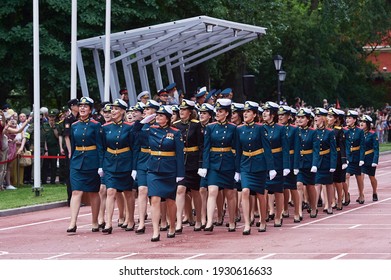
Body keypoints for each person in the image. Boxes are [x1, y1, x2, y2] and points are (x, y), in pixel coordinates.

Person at [235, 101, 275, 234]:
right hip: (245, 164)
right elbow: (238, 150)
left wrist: (271, 167)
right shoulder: (239, 129)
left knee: (260, 194)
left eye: (248, 112)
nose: (245, 113)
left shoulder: (260, 128)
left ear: (254, 114)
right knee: (245, 191)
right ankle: (247, 223)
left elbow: (267, 148)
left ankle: (263, 220)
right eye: (244, 111)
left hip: (259, 164)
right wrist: (237, 170)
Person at [146, 105, 185, 241]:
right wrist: (144, 120)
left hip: (169, 170)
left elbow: (180, 154)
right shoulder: (151, 129)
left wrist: (180, 174)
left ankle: (172, 226)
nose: (158, 117)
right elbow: (135, 132)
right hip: (154, 169)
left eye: (161, 115)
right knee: (154, 199)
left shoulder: (175, 132)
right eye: (157, 115)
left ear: (168, 118)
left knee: (170, 201)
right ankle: (156, 231)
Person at [198, 98, 237, 232]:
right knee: (212, 191)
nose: (218, 113)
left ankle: (232, 221)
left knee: (229, 194)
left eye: (220, 111)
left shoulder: (233, 128)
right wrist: (204, 166)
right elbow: (206, 148)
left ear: (226, 113)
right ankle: (209, 222)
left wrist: (237, 169)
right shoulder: (210, 127)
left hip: (228, 163)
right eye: (217, 111)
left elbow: (236, 148)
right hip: (214, 163)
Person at [66, 97, 104, 233]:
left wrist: (101, 165)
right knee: (76, 191)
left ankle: (95, 221)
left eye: (85, 106)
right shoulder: (74, 125)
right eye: (80, 106)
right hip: (77, 161)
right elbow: (74, 145)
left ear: (90, 109)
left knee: (93, 192)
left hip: (92, 160)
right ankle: (72, 222)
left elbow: (100, 146)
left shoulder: (96, 125)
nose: (82, 108)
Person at [101, 99, 136, 234]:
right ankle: (108, 222)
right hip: (110, 162)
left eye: (116, 109)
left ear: (122, 111)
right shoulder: (106, 128)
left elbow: (134, 147)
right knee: (110, 191)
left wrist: (134, 167)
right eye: (112, 109)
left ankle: (131, 219)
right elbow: (103, 147)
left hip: (125, 162)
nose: (113, 111)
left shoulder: (129, 127)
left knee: (127, 192)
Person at [173, 99, 204, 233]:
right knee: (180, 190)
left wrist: (201, 164)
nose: (181, 112)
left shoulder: (197, 125)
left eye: (184, 110)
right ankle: (179, 221)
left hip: (193, 161)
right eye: (180, 109)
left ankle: (198, 219)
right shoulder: (176, 125)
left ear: (190, 112)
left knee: (195, 192)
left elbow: (201, 146)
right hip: (180, 162)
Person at [133, 99, 160, 234]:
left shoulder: (161, 124)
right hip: (143, 159)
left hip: (156, 159)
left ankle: (162, 219)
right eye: (145, 109)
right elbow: (135, 139)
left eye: (148, 109)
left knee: (156, 193)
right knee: (142, 190)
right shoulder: (141, 125)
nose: (145, 111)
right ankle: (141, 222)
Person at [262, 101, 290, 227]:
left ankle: (278, 215)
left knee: (278, 190)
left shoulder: (280, 128)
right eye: (263, 111)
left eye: (267, 111)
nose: (264, 113)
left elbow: (285, 148)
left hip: (277, 161)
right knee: (263, 189)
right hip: (263, 162)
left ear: (272, 114)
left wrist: (286, 166)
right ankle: (265, 214)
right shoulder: (260, 128)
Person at [278, 105, 301, 222]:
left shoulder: (294, 129)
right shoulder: (276, 128)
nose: (281, 117)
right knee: (282, 187)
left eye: (283, 115)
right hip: (279, 160)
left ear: (288, 116)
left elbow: (297, 148)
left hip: (291, 160)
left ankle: (297, 211)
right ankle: (284, 209)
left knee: (292, 187)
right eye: (279, 115)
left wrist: (296, 165)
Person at [296, 108, 320, 219]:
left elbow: (316, 149)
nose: (300, 120)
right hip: (298, 163)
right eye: (298, 117)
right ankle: (299, 209)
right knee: (299, 185)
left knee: (310, 187)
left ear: (308, 119)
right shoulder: (295, 131)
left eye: (302, 118)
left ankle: (314, 207)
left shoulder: (313, 132)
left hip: (309, 162)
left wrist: (315, 164)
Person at [314, 107, 337, 214]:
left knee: (328, 184)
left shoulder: (330, 132)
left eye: (318, 116)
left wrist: (333, 164)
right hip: (317, 160)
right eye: (315, 116)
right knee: (317, 183)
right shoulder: (314, 132)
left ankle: (329, 204)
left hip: (326, 160)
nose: (316, 118)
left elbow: (333, 150)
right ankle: (314, 206)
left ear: (323, 118)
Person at [327, 108, 347, 210]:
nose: (328, 118)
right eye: (328, 116)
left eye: (330, 117)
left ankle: (340, 199)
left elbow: (342, 146)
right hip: (328, 156)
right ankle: (332, 200)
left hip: (338, 157)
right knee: (330, 181)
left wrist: (344, 160)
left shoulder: (339, 131)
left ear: (336, 119)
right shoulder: (326, 130)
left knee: (338, 181)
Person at [344, 110, 365, 204]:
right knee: (346, 175)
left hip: (356, 156)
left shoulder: (359, 131)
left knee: (358, 177)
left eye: (350, 118)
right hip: (348, 156)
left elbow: (362, 146)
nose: (347, 120)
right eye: (347, 118)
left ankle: (361, 194)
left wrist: (361, 159)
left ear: (355, 119)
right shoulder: (344, 130)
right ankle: (345, 195)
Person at [97, 103, 112, 229]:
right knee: (102, 190)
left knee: (118, 192)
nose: (107, 114)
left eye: (109, 112)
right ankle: (101, 217)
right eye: (105, 112)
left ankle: (123, 215)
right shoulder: (100, 127)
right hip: (104, 161)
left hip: (116, 160)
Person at [63, 98, 79, 206]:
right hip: (71, 148)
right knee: (70, 175)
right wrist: (69, 151)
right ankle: (70, 198)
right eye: (77, 105)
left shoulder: (79, 118)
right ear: (72, 106)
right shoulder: (68, 119)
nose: (80, 107)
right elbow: (66, 136)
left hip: (79, 147)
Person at [359, 115, 379, 201]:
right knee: (361, 176)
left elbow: (376, 149)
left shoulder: (373, 134)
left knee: (372, 177)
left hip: (370, 158)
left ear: (368, 124)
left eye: (363, 122)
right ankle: (361, 194)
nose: (361, 123)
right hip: (361, 159)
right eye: (361, 122)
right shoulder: (359, 133)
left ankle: (374, 192)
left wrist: (375, 161)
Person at [41, 109, 61, 184]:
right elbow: (44, 137)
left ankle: (53, 180)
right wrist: (46, 150)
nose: (51, 118)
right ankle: (44, 180)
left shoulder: (57, 125)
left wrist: (53, 127)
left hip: (54, 147)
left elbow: (58, 136)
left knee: (54, 164)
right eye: (50, 116)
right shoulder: (44, 125)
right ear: (48, 117)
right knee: (45, 164)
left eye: (53, 117)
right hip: (47, 146)